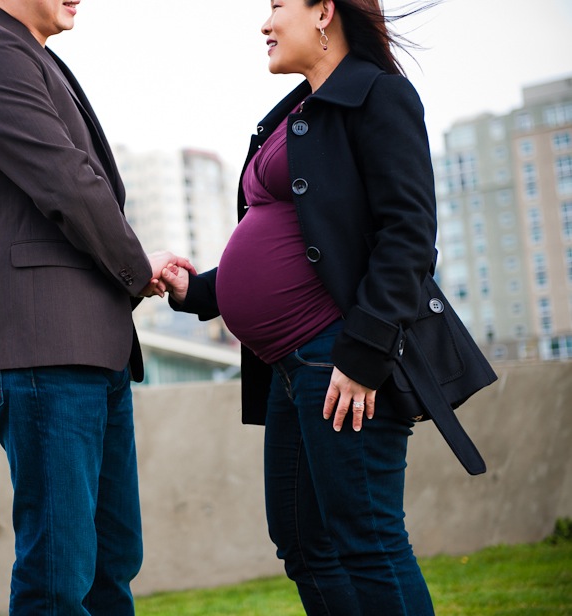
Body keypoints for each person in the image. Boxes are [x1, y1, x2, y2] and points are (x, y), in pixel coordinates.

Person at [160, 0, 492, 613]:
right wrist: (196, 292)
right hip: (291, 371)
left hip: (340, 359)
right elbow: (298, 234)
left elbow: (409, 236)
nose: (264, 24)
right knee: (302, 543)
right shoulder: (297, 112)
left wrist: (362, 355)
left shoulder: (377, 96)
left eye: (277, 5)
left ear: (324, 13)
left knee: (367, 541)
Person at [0, 1, 193, 614]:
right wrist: (137, 268)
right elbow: (68, 183)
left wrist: (132, 269)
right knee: (58, 579)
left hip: (85, 350)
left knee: (110, 565)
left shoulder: (31, 55)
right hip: (42, 351)